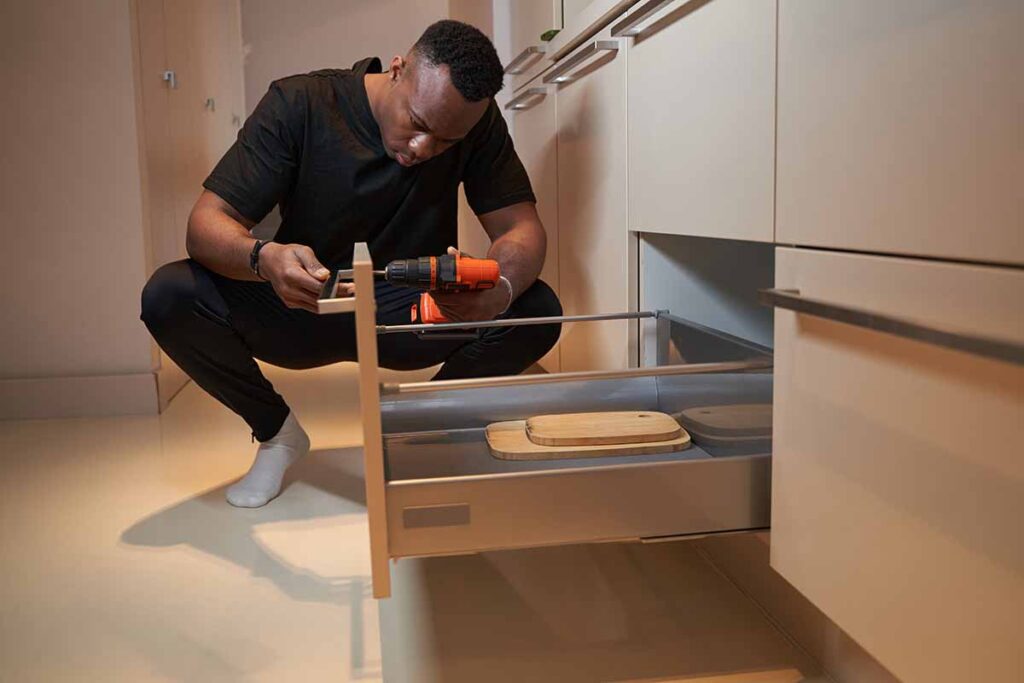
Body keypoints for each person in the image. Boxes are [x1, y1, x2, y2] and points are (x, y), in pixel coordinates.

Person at [141, 20, 561, 508]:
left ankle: (416, 428)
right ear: (398, 70)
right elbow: (206, 224)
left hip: (409, 313)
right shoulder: (300, 103)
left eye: (446, 142)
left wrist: (500, 289)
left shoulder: (477, 122)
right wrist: (263, 257)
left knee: (538, 306)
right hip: (299, 299)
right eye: (420, 125)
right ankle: (277, 434)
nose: (425, 149)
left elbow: (522, 229)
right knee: (168, 294)